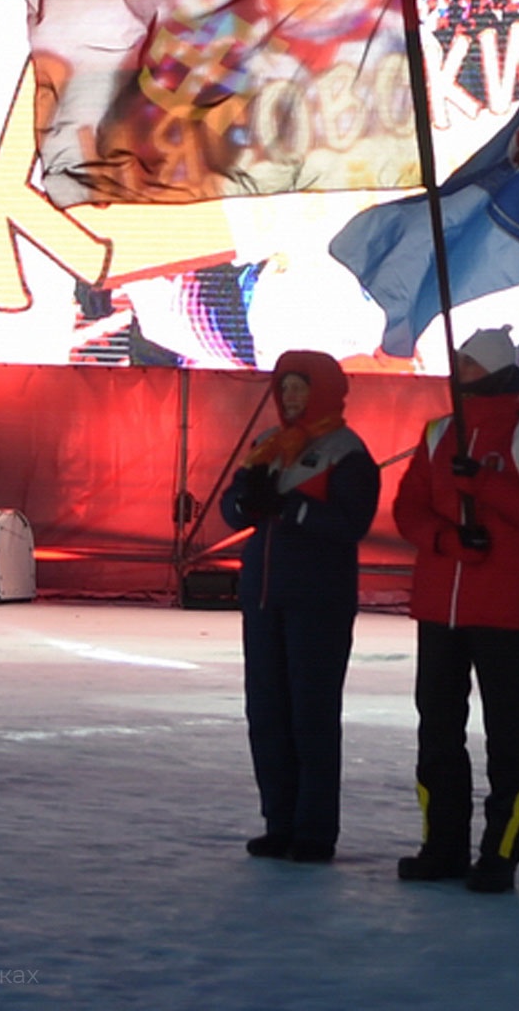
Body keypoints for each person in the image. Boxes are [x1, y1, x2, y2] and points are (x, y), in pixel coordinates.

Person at [392, 326, 519, 893]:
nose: (457, 369)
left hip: (501, 610)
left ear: (492, 367)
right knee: (438, 732)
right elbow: (407, 507)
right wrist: (445, 541)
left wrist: (488, 486)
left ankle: (500, 852)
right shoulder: (439, 432)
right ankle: (441, 845)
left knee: (508, 734)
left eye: (467, 361)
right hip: (439, 609)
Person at [219, 349, 378, 863]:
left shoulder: (347, 452)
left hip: (318, 601)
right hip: (264, 596)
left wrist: (292, 507)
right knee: (267, 714)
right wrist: (249, 504)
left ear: (324, 392)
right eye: (284, 388)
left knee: (311, 714)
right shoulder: (267, 445)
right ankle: (279, 820)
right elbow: (230, 508)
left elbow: (350, 524)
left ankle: (313, 829)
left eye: (299, 388)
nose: (290, 398)